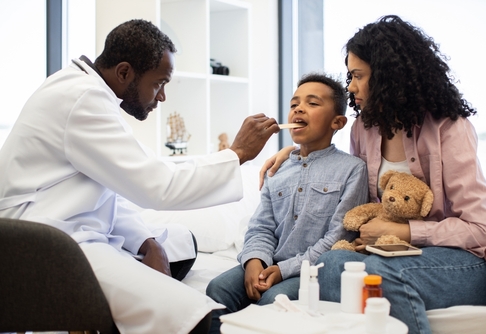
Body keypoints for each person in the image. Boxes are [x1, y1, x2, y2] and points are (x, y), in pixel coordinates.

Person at [0, 19, 279, 334]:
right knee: (190, 313)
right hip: (49, 243)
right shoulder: (84, 100)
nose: (161, 97)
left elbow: (107, 188)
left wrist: (146, 241)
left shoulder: (81, 89)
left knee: (181, 241)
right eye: (159, 83)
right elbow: (159, 185)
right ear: (124, 73)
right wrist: (238, 153)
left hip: (65, 226)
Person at [259, 15, 486, 334]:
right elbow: (346, 173)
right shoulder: (364, 128)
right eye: (349, 75)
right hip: (389, 253)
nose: (350, 86)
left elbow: (479, 230)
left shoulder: (449, 127)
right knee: (331, 266)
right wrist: (295, 153)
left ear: (388, 76)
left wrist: (407, 233)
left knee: (377, 272)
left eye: (358, 76)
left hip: (465, 262)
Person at [206, 73, 369, 333]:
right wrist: (254, 261)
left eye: (313, 103)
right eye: (294, 104)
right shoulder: (277, 170)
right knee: (217, 289)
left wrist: (282, 270)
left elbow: (339, 237)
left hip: (312, 271)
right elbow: (260, 227)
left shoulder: (353, 170)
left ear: (337, 122)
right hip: (269, 264)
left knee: (274, 302)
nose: (299, 109)